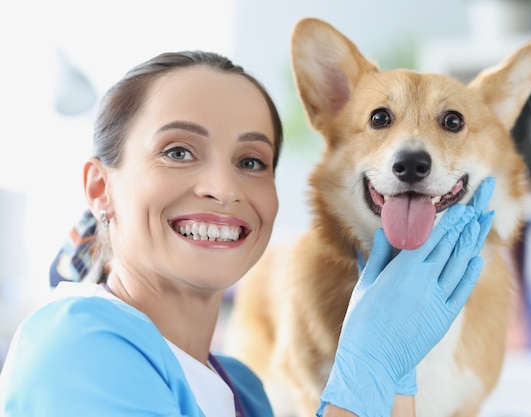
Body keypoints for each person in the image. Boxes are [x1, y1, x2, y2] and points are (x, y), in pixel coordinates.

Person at [0, 49, 494, 417]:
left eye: (251, 161)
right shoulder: (77, 353)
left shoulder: (243, 392)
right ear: (100, 186)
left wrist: (394, 375)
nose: (222, 188)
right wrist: (368, 368)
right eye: (178, 151)